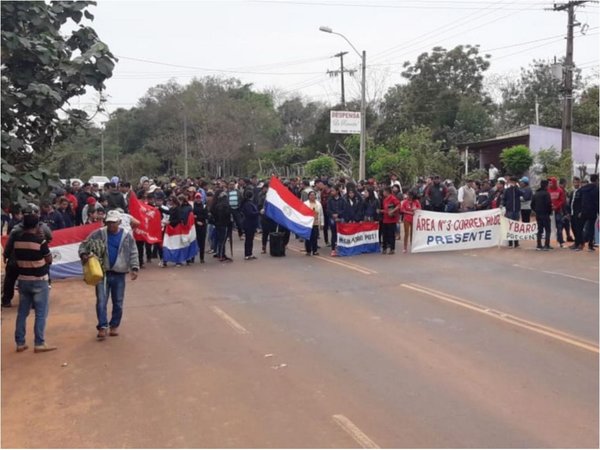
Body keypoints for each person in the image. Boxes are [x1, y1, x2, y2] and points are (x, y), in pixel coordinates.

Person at [79, 210, 139, 340]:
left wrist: (134, 267)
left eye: (114, 223)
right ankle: (102, 326)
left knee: (118, 302)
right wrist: (84, 255)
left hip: (119, 273)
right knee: (101, 301)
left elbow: (133, 251)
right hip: (102, 273)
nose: (111, 225)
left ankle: (114, 325)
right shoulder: (98, 234)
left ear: (119, 222)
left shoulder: (127, 236)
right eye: (109, 223)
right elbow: (84, 245)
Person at [9, 213, 56, 352]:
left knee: (22, 313)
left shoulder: (17, 240)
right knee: (41, 313)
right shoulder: (40, 241)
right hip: (40, 281)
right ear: (36, 226)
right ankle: (39, 343)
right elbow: (49, 260)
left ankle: (20, 342)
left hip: (23, 280)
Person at [578, 174, 599, 252]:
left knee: (580, 228)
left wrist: (579, 210)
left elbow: (579, 200)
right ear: (596, 180)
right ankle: (590, 245)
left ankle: (581, 244)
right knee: (591, 228)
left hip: (583, 211)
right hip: (593, 211)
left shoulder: (583, 188)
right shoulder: (597, 189)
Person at [531, 179, 553, 251]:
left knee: (539, 230)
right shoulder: (546, 194)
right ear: (546, 186)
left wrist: (536, 210)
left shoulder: (536, 194)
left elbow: (532, 204)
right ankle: (546, 245)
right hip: (545, 214)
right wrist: (549, 212)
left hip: (538, 214)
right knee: (547, 230)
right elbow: (548, 204)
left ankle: (539, 245)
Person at [381, 187, 401, 255]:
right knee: (385, 235)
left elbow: (398, 205)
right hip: (385, 219)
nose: (383, 193)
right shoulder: (384, 200)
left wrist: (393, 210)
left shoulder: (393, 198)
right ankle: (384, 248)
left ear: (387, 192)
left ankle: (392, 249)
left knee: (391, 235)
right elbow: (386, 209)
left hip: (392, 220)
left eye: (384, 191)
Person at [327, 185, 346, 257]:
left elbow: (344, 209)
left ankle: (340, 249)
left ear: (337, 191)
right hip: (332, 218)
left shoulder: (342, 200)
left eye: (333, 191)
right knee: (333, 234)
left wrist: (338, 215)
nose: (332, 192)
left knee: (341, 234)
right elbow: (328, 210)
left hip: (340, 218)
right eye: (331, 191)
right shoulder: (330, 200)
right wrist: (333, 215)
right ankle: (333, 249)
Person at [240, 189, 260, 260]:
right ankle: (247, 254)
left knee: (250, 239)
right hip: (249, 224)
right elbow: (250, 214)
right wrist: (259, 213)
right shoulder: (248, 204)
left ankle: (249, 253)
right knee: (248, 239)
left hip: (250, 223)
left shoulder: (248, 203)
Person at [503, 176, 522, 248]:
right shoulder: (507, 190)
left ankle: (516, 243)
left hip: (516, 210)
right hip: (509, 211)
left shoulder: (518, 190)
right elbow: (504, 199)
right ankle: (510, 243)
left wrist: (516, 188)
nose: (512, 183)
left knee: (516, 226)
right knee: (510, 226)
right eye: (511, 182)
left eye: (513, 182)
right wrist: (503, 205)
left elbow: (523, 194)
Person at [548, 176, 566, 248]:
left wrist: (557, 206)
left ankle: (560, 241)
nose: (550, 184)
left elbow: (562, 200)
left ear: (554, 183)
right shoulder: (547, 190)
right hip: (550, 212)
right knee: (549, 227)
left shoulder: (560, 190)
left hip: (558, 211)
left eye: (551, 182)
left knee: (559, 227)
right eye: (549, 183)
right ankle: (547, 243)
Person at [304, 190, 324, 256]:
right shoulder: (305, 203)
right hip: (308, 224)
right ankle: (308, 251)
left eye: (313, 195)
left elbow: (321, 214)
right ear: (308, 196)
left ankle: (315, 250)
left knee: (315, 237)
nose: (312, 196)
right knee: (308, 237)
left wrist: (322, 223)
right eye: (311, 195)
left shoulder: (318, 204)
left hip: (315, 223)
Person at [568, 177, 584, 251]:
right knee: (573, 228)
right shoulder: (572, 192)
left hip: (578, 213)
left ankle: (581, 244)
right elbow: (570, 203)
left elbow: (583, 203)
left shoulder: (582, 192)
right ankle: (576, 243)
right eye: (574, 182)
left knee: (579, 229)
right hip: (572, 213)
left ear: (579, 183)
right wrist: (568, 213)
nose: (576, 184)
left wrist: (581, 212)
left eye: (577, 182)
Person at [192, 192, 208, 263]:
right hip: (194, 226)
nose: (198, 199)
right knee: (194, 242)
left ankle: (202, 258)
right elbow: (191, 216)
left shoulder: (204, 206)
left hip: (203, 225)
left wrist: (197, 217)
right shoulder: (192, 206)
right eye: (197, 198)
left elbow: (206, 216)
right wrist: (196, 221)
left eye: (199, 198)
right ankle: (192, 258)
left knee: (202, 243)